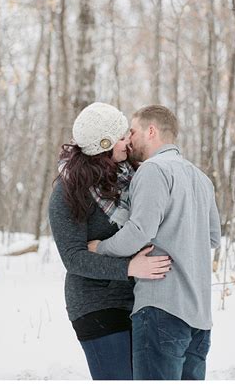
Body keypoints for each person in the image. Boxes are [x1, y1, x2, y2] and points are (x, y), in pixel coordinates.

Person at [88, 104, 221, 380]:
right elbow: (212, 237)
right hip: (199, 320)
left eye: (133, 131)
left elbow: (139, 231)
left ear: (151, 131)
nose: (129, 139)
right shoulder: (202, 179)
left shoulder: (152, 170)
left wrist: (101, 248)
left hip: (161, 310)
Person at [48, 102, 172, 381]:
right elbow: (74, 257)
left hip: (138, 299)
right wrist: (129, 268)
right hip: (95, 303)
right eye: (120, 137)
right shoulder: (69, 192)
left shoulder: (134, 176)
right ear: (103, 146)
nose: (128, 139)